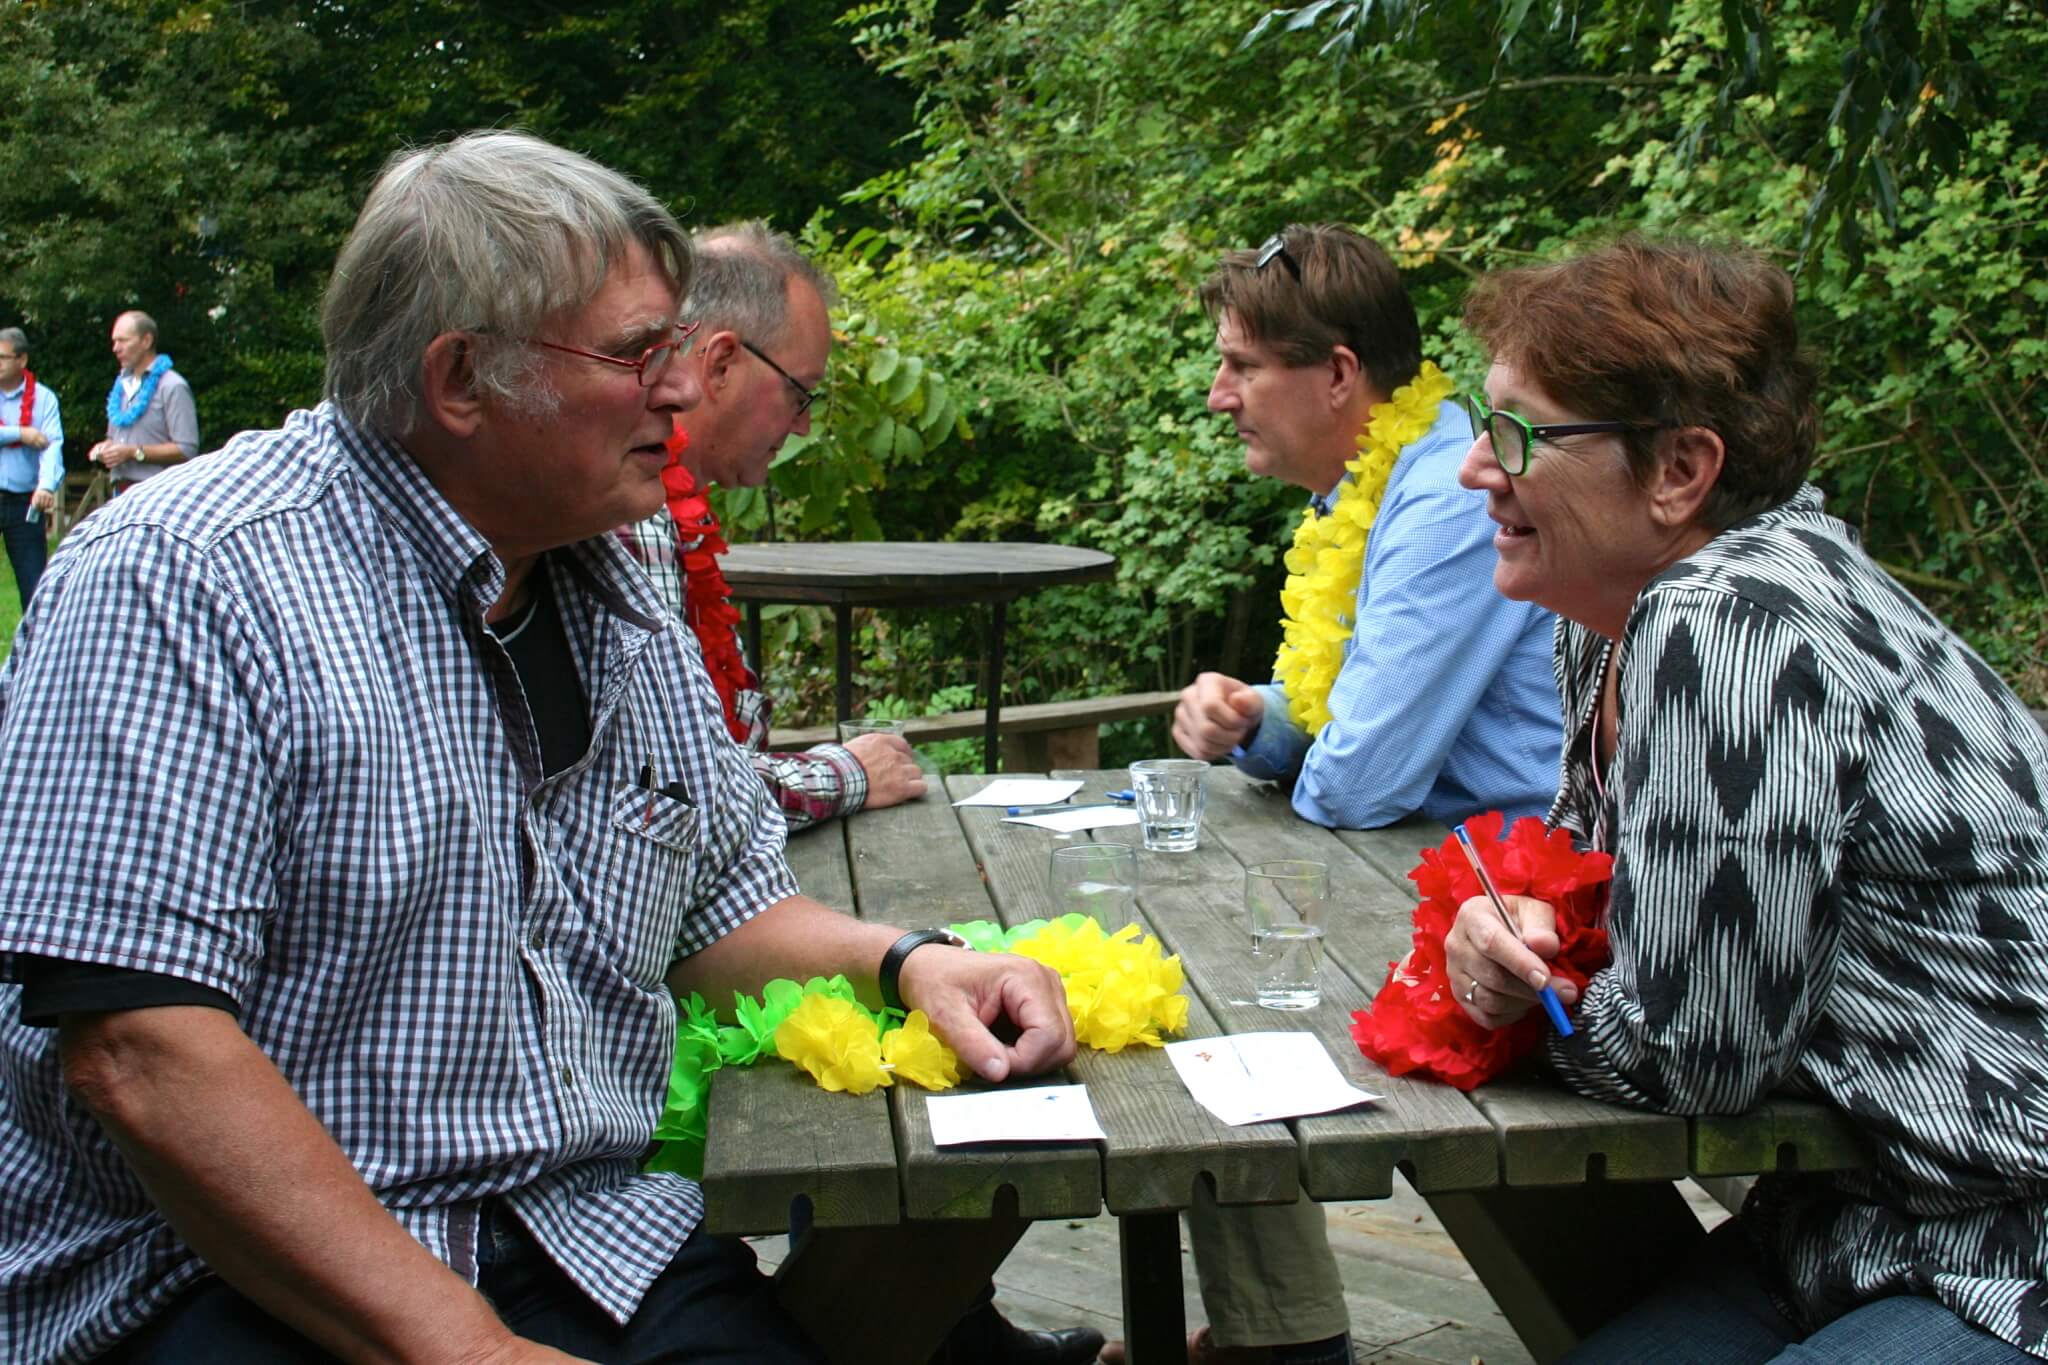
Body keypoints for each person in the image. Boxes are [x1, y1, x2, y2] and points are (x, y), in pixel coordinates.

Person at [0, 129, 1076, 1364]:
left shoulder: (608, 566)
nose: (680, 390)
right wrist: (469, 1349)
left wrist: (907, 963)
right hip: (214, 1275)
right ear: (462, 378)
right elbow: (141, 1048)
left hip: (582, 1236)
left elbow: (719, 910)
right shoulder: (181, 577)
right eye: (635, 353)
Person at [1445, 236, 2048, 1362]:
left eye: (1519, 431)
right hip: (1847, 1221)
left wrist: (1516, 1007)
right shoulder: (1612, 621)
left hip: (2008, 1249)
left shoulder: (1727, 621)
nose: (1477, 466)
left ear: (1679, 470)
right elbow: (1595, 915)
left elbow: (1691, 1054)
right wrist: (1520, 937)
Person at [1117, 225, 1564, 1365]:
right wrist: (1256, 718)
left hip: (1533, 910)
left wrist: (1295, 739)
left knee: (1211, 976)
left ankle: (1287, 1341)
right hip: (1439, 868)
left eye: (1240, 366)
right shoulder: (1373, 486)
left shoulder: (1444, 499)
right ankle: (1281, 1333)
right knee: (1185, 954)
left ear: (1338, 374)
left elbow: (1360, 781)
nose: (1218, 395)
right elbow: (1344, 712)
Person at [618, 222, 928, 835]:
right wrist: (848, 773)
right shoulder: (634, 510)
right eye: (800, 393)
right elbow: (681, 790)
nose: (803, 426)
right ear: (722, 363)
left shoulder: (673, 505)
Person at [88, 309, 198, 488]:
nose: (115, 348)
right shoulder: (121, 386)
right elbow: (114, 439)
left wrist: (133, 453)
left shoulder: (172, 385)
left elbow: (186, 449)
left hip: (158, 491)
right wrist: (104, 448)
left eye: (123, 340)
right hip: (121, 490)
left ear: (146, 341)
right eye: (114, 341)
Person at [0, 327, 63, 605]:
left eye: (2, 357)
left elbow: (52, 446)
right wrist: (20, 433)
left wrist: (46, 486)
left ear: (22, 359)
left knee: (34, 587)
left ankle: (36, 634)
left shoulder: (44, 399)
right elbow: (30, 437)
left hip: (25, 502)